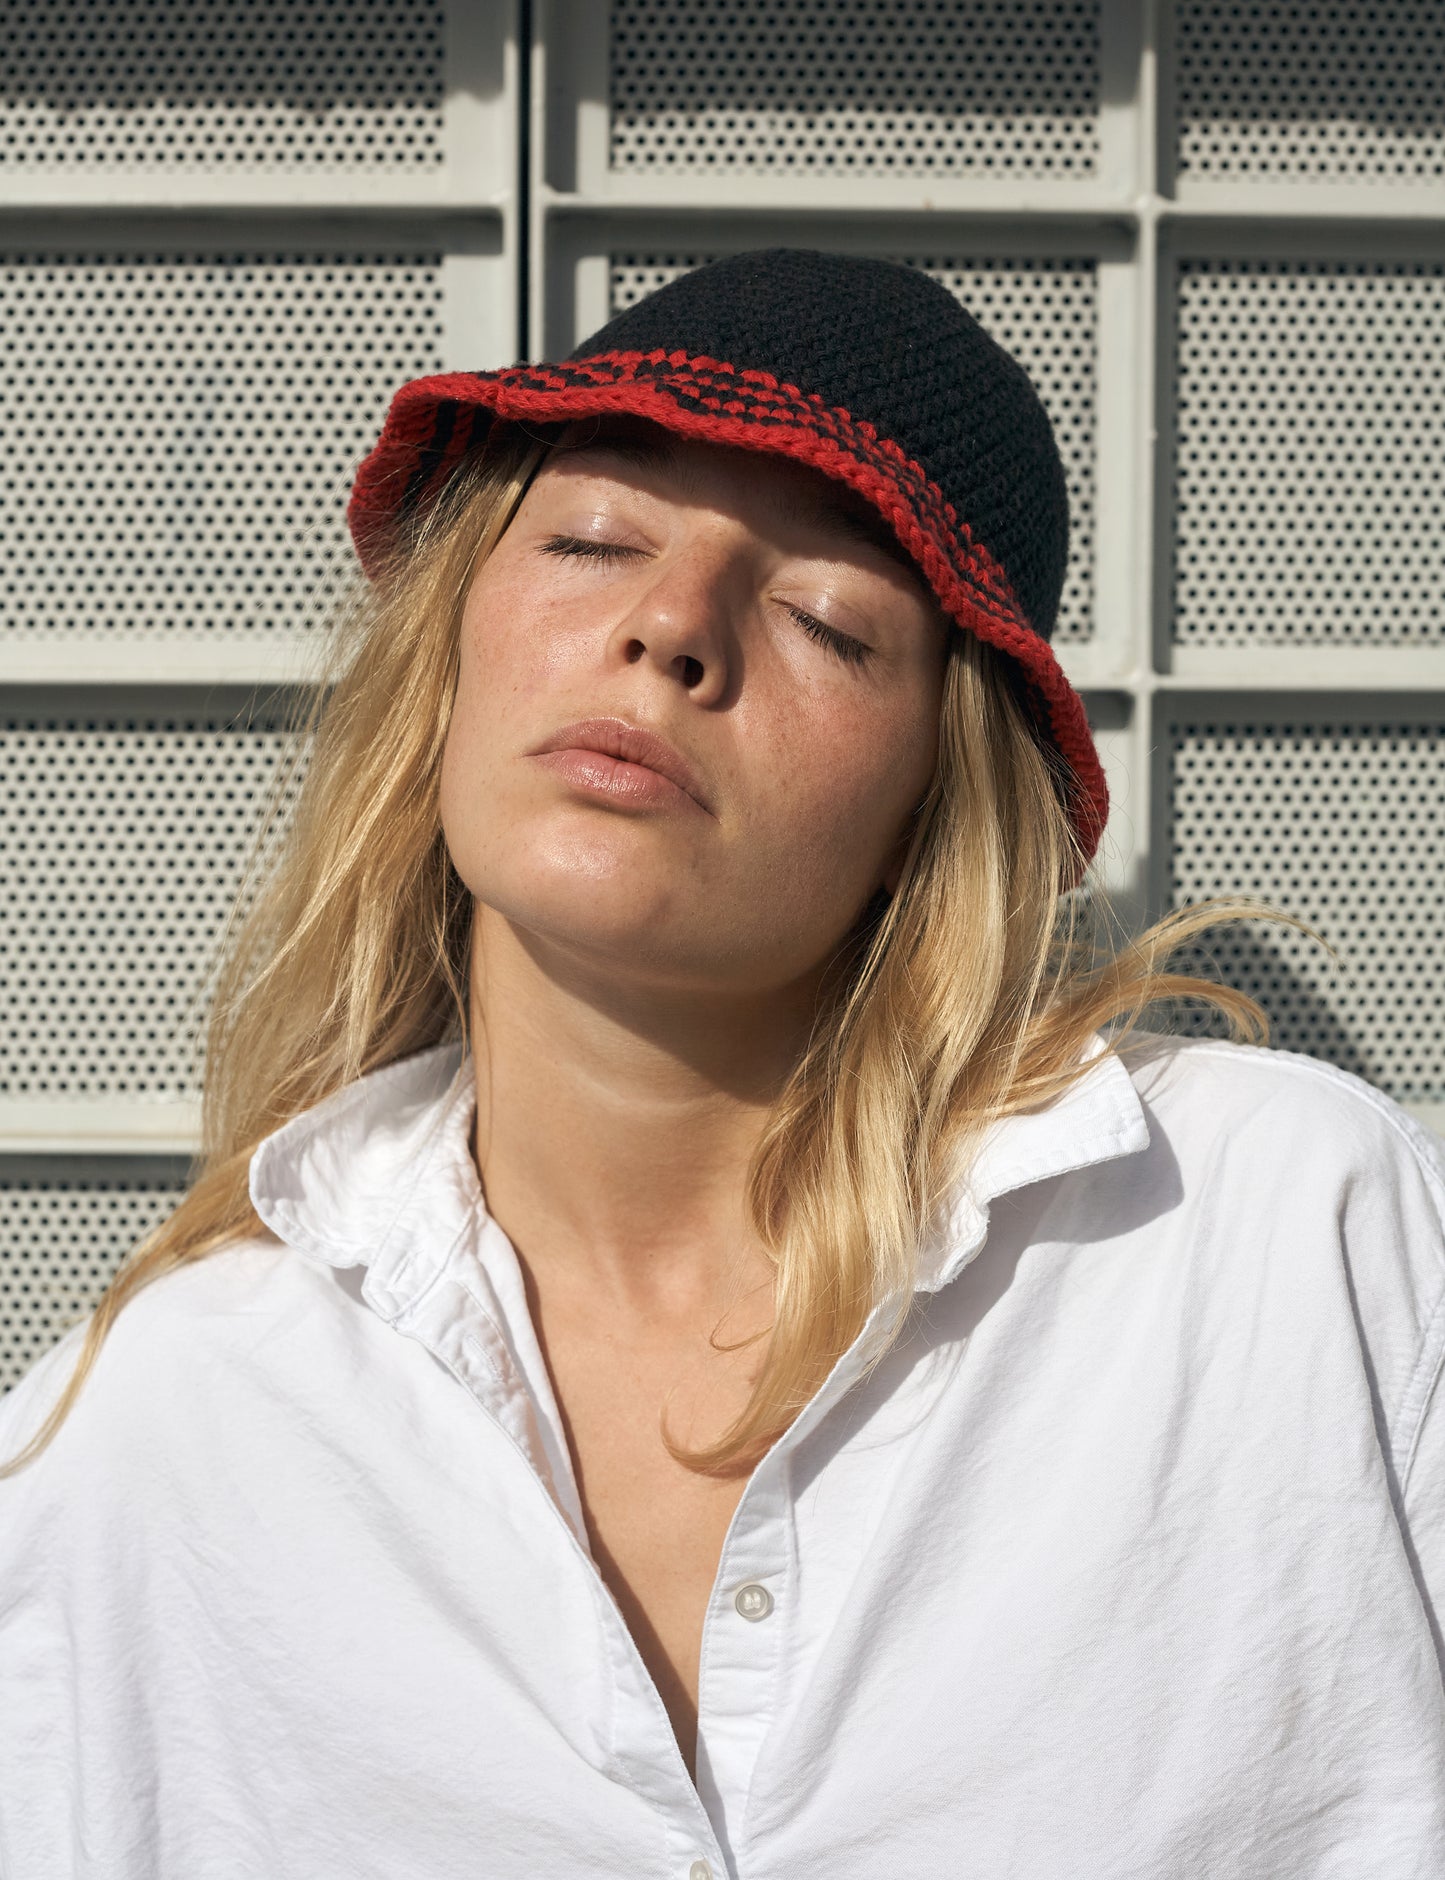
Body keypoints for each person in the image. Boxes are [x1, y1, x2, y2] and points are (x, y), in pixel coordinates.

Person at [1, 249, 1441, 1878]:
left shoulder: (1280, 1242)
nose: (670, 628)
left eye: (827, 620)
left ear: (936, 799)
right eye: (591, 539)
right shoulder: (156, 1428)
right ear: (453, 652)